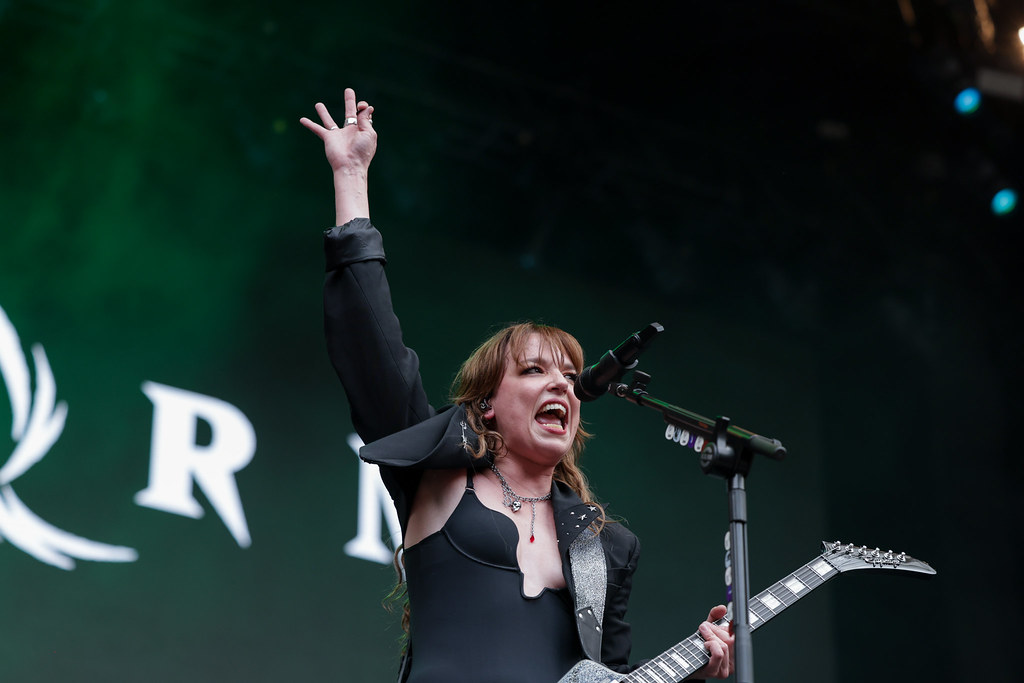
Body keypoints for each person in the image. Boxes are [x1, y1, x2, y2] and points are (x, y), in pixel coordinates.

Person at [301, 88, 734, 683]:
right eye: (534, 370)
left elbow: (611, 676)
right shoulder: (437, 476)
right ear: (485, 405)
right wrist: (351, 177)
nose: (562, 385)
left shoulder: (606, 546)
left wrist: (697, 673)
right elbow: (370, 347)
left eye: (569, 376)